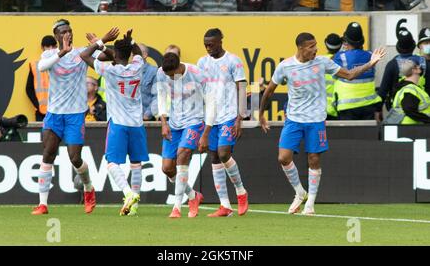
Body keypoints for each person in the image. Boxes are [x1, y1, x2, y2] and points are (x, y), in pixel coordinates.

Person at [259, 32, 386, 215]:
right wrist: (262, 113)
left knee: (314, 159)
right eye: (311, 46)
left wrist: (371, 63)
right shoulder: (285, 66)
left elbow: (349, 75)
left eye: (316, 45)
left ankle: (310, 202)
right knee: (283, 158)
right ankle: (299, 192)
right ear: (301, 48)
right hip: (294, 119)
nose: (315, 49)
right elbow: (270, 90)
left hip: (316, 119)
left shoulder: (322, 62)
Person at [31, 19, 96, 215]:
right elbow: (42, 67)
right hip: (54, 114)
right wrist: (62, 52)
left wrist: (99, 42)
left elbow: (104, 56)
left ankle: (88, 188)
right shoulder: (50, 54)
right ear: (56, 35)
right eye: (63, 31)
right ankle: (43, 204)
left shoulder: (82, 53)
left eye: (69, 30)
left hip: (75, 114)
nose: (67, 34)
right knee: (48, 154)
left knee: (75, 158)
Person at [80, 28, 146, 216]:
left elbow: (85, 55)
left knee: (111, 163)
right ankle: (134, 207)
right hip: (137, 124)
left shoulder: (109, 69)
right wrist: (131, 42)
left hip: (118, 123)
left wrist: (101, 40)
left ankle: (128, 194)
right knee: (136, 164)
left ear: (115, 55)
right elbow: (139, 54)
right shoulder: (137, 66)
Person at [197, 28, 249, 217]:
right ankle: (225, 205)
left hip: (228, 115)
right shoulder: (202, 62)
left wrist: (239, 118)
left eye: (211, 44)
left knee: (224, 152)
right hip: (211, 117)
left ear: (220, 41)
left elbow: (242, 88)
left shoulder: (233, 61)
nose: (208, 48)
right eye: (205, 45)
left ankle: (241, 192)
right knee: (215, 157)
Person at [157, 52, 211, 218]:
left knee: (182, 155)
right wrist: (164, 122)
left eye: (173, 75)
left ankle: (177, 207)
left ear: (179, 67)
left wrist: (206, 132)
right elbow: (161, 96)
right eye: (168, 76)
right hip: (173, 123)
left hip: (194, 121)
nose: (171, 79)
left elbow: (211, 102)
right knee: (167, 168)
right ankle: (193, 196)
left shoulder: (197, 74)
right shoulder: (161, 73)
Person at [376, 21, 428, 121]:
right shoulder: (424, 63)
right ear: (414, 46)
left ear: (398, 48)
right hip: (422, 112)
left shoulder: (392, 65)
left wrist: (377, 110)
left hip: (398, 116)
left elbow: (383, 91)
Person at [333, 22, 382, 120]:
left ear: (346, 41)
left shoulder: (340, 57)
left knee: (348, 135)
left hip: (347, 107)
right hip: (368, 106)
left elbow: (335, 76)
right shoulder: (370, 55)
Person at [385, 59, 430, 124]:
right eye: (417, 66)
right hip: (411, 128)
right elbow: (409, 110)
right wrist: (428, 120)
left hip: (409, 127)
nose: (419, 67)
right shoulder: (409, 90)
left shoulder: (402, 86)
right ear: (414, 70)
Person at [26, 35, 57, 121]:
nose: (50, 49)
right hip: (42, 112)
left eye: (53, 46)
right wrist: (38, 106)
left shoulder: (63, 64)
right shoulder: (35, 66)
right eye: (47, 46)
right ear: (42, 48)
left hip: (60, 111)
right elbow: (29, 89)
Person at [323, 33, 342, 120]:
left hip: (320, 109)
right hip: (339, 108)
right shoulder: (343, 61)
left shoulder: (318, 61)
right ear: (340, 45)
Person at [139, 43, 158, 121]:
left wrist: (147, 114)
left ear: (144, 55)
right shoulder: (126, 71)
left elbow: (157, 96)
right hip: (129, 119)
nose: (132, 56)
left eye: (135, 53)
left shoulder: (154, 71)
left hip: (146, 119)